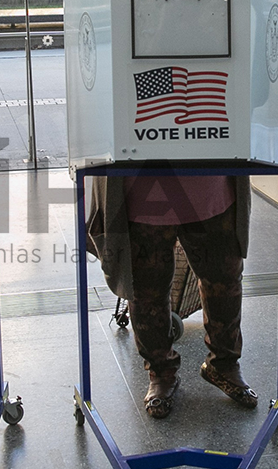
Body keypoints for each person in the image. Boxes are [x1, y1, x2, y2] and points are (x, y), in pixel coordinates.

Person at [88, 174, 254, 418]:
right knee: (146, 290)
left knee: (224, 282)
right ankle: (160, 372)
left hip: (211, 186)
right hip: (143, 191)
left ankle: (224, 364)